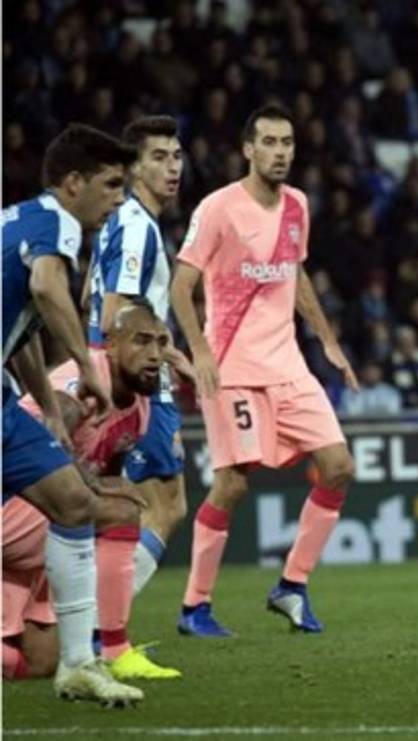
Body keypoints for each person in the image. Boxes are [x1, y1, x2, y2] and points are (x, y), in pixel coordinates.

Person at [169, 103, 358, 637]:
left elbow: (294, 275)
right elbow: (179, 286)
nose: (280, 153)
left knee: (339, 466)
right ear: (248, 149)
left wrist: (327, 339)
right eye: (270, 143)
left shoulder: (297, 205)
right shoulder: (219, 208)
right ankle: (194, 606)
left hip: (289, 365)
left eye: (288, 143)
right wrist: (200, 352)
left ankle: (292, 587)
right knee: (232, 485)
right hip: (232, 368)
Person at [1, 123, 144, 705]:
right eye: (111, 185)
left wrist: (54, 418)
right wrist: (86, 365)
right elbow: (47, 287)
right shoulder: (55, 223)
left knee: (74, 503)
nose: (119, 197)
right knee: (79, 503)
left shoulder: (24, 221)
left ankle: (79, 663)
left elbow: (25, 328)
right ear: (73, 183)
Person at [6, 301, 181, 681]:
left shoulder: (139, 406)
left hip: (48, 520)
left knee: (40, 662)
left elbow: (108, 471)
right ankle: (115, 648)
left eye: (161, 343)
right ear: (110, 345)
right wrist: (96, 485)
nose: (155, 355)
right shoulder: (85, 380)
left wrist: (108, 483)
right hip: (14, 505)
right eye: (142, 341)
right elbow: (54, 430)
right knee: (120, 514)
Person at [87, 115, 195, 600]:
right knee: (161, 505)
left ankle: (92, 627)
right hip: (136, 383)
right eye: (158, 157)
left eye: (176, 156)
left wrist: (176, 356)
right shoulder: (137, 231)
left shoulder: (129, 221)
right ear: (133, 168)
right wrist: (152, 368)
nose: (172, 167)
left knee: (135, 503)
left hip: (129, 373)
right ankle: (97, 627)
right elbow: (116, 315)